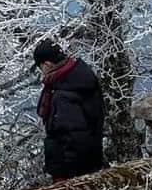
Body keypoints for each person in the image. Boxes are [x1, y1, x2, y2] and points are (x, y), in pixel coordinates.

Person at [32, 39, 105, 182]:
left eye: (41, 67)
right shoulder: (78, 77)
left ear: (47, 64)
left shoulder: (63, 94)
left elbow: (74, 136)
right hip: (90, 163)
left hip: (72, 172)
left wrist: (66, 175)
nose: (42, 72)